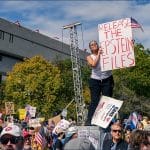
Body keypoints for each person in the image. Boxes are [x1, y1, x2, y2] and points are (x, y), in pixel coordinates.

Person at [85, 40, 114, 125]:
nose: (94, 45)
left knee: (107, 100)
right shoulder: (89, 57)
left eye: (95, 43)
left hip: (107, 79)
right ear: (90, 48)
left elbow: (118, 53)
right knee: (95, 100)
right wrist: (99, 54)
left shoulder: (106, 53)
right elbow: (93, 64)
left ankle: (106, 121)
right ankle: (89, 120)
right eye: (91, 44)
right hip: (95, 80)